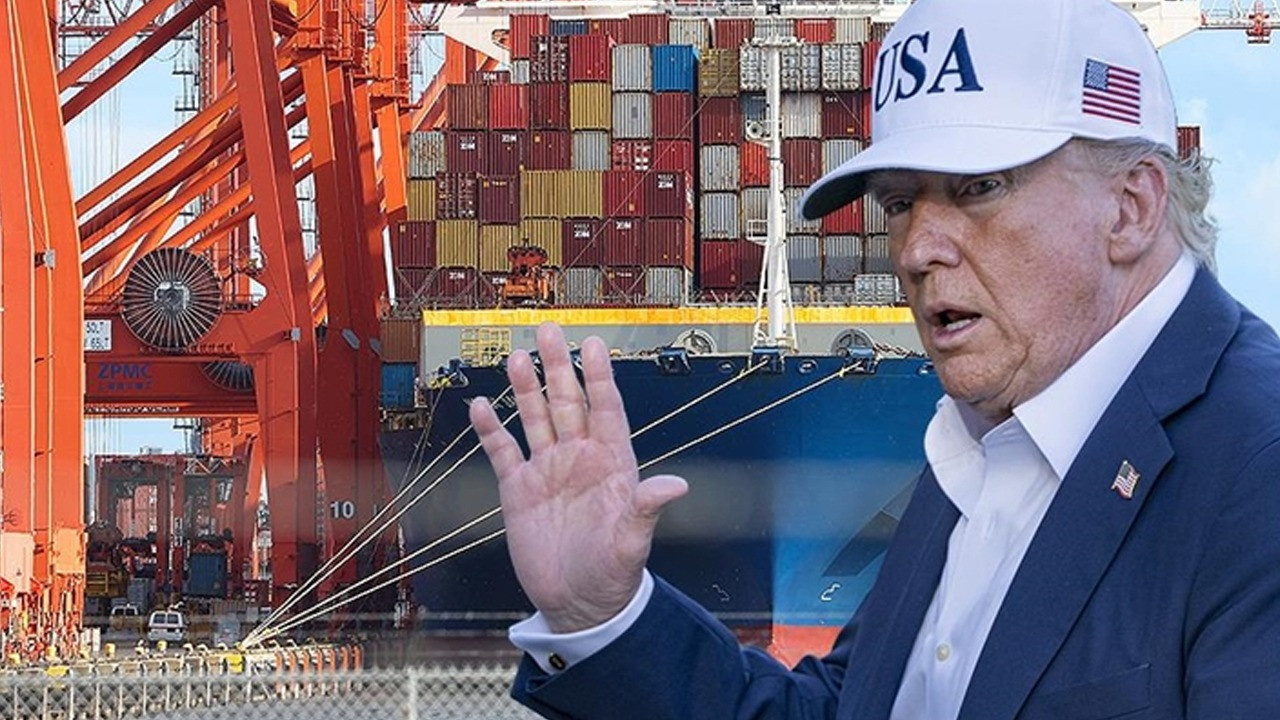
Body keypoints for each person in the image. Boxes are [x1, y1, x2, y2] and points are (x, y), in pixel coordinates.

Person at [468, 0, 1280, 715]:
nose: (917, 249)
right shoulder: (984, 449)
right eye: (898, 201)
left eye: (978, 188)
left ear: (1131, 207)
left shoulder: (1258, 468)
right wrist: (602, 615)